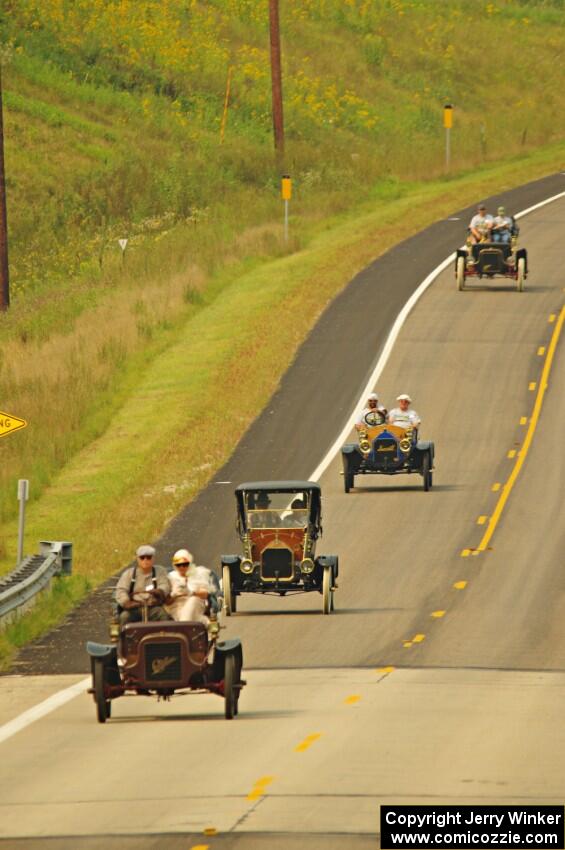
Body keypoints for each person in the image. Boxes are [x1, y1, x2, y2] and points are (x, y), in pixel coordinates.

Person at [115, 545, 171, 626]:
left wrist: (159, 591)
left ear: (153, 559)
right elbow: (121, 590)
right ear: (137, 559)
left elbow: (165, 585)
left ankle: (165, 637)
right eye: (142, 558)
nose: (145, 560)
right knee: (124, 617)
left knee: (163, 616)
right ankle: (123, 638)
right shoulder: (129, 574)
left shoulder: (160, 571)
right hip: (134, 609)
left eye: (148, 557)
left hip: (153, 607)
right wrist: (127, 602)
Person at [165, 549, 212, 624]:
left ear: (189, 563)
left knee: (192, 601)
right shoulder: (170, 577)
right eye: (179, 565)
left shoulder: (198, 573)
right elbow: (167, 602)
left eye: (185, 564)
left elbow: (205, 594)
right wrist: (175, 595)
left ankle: (184, 625)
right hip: (177, 605)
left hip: (196, 603)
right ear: (174, 565)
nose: (182, 567)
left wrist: (191, 592)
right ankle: (203, 621)